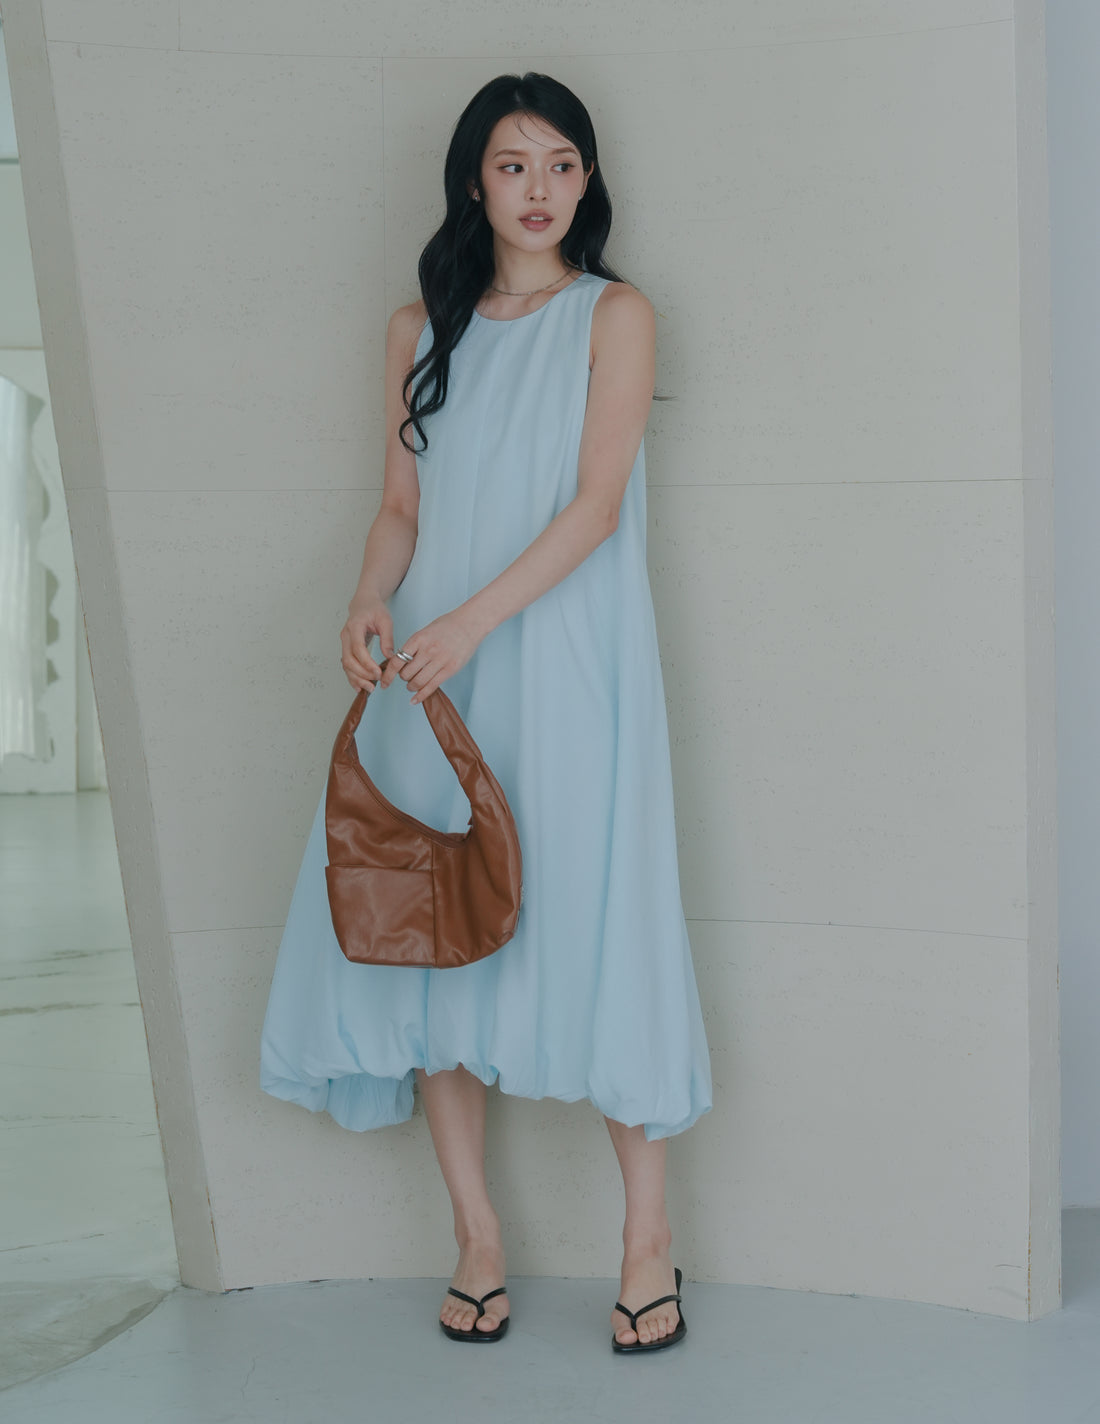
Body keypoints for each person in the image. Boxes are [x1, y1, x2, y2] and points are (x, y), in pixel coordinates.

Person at [259, 71, 712, 1353]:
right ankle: (475, 1234)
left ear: (586, 179)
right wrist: (370, 595)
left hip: (560, 658)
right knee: (435, 924)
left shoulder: (613, 314)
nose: (538, 188)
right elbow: (402, 506)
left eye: (561, 163)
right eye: (512, 164)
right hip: (429, 670)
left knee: (594, 911)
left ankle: (645, 1241)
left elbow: (596, 505)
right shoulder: (418, 328)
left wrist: (471, 621)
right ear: (474, 180)